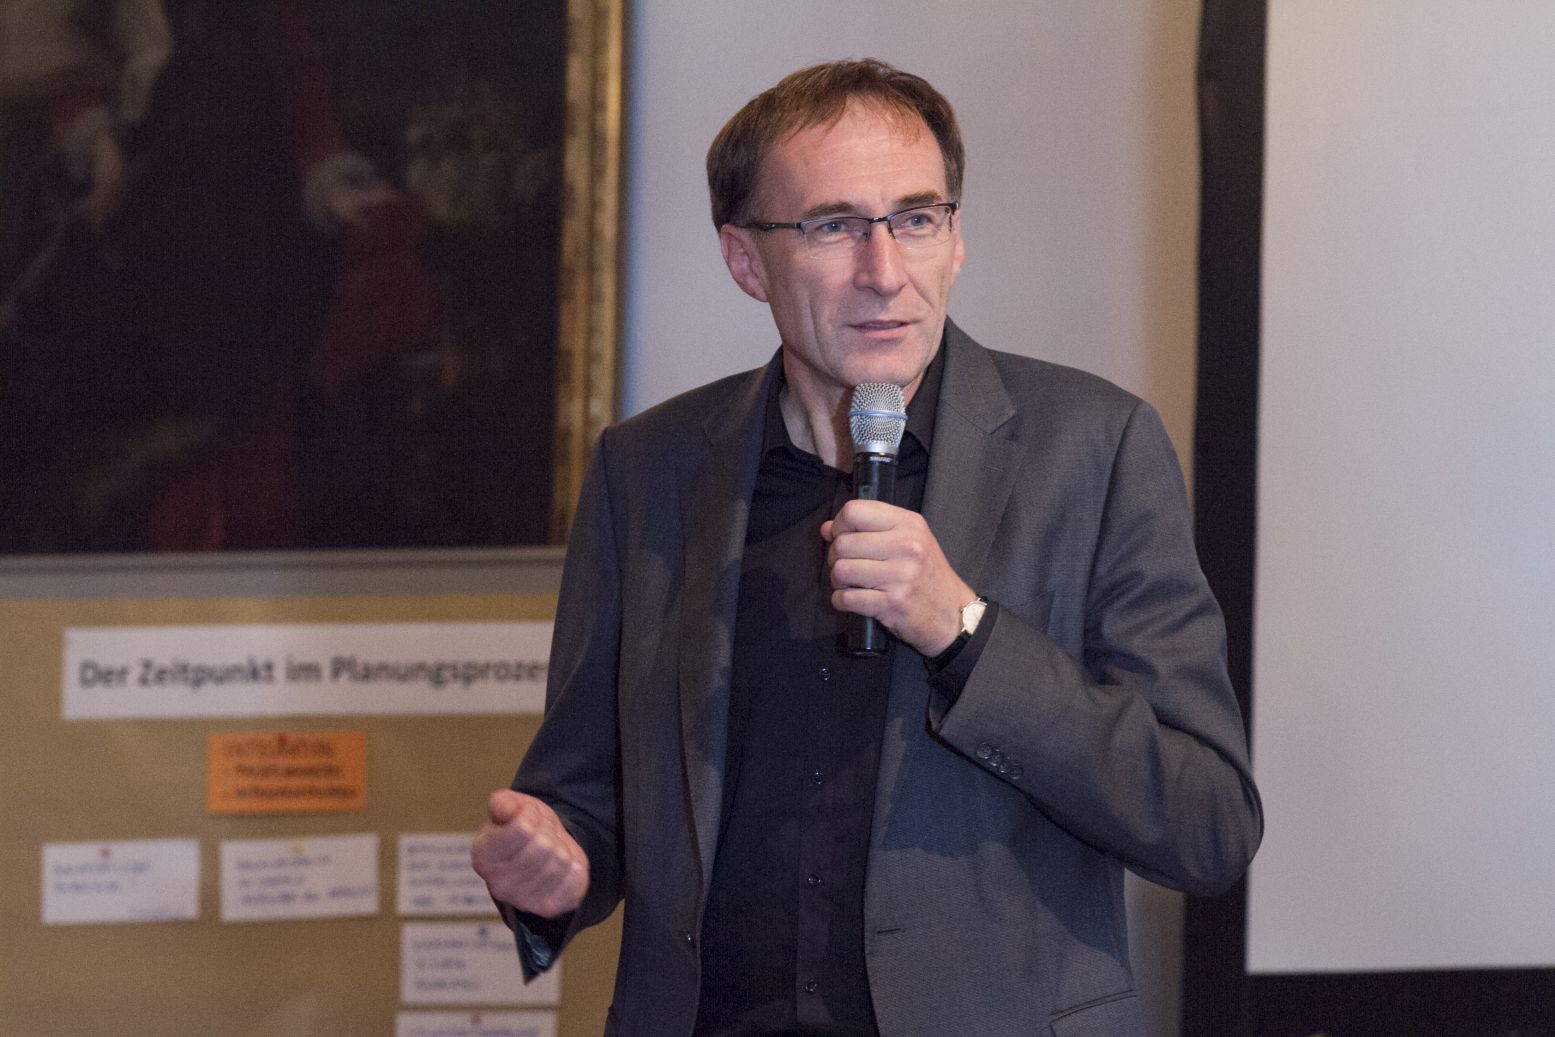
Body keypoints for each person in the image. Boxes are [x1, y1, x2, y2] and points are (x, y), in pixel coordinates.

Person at [473, 58, 1262, 1036]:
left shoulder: (1092, 450)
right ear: (743, 258)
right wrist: (556, 866)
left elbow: (1206, 820)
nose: (883, 270)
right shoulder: (650, 472)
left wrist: (965, 633)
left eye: (917, 218)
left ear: (956, 239)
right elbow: (585, 795)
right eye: (833, 225)